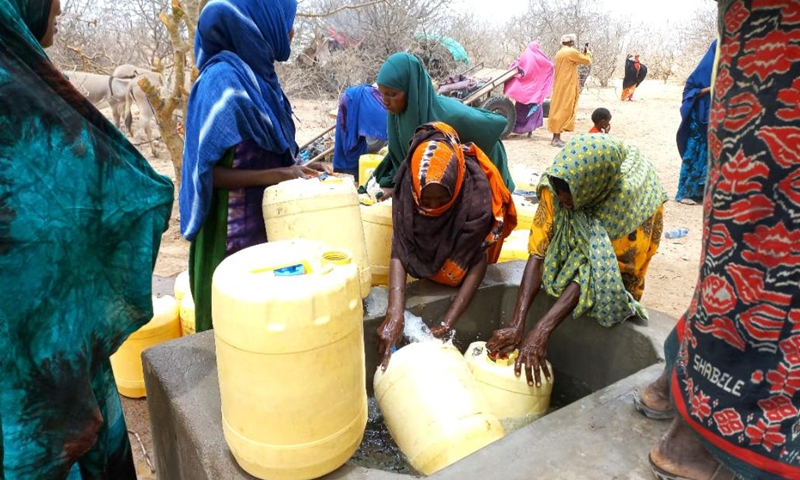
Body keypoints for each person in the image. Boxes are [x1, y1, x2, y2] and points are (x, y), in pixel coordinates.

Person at [0, 0, 174, 477]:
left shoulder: (29, 76)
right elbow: (117, 199)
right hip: (35, 387)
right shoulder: (20, 100)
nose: (59, 6)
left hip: (56, 370)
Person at [636, 2, 800, 479]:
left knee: (745, 238)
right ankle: (707, 420)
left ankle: (695, 402)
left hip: (749, 57)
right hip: (764, 61)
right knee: (755, 238)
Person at [180, 0, 329, 332]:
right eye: (285, 21)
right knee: (233, 332)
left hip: (265, 227)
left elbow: (273, 152)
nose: (291, 31)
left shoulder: (262, 79)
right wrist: (278, 175)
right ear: (260, 22)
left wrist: (301, 169)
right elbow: (207, 174)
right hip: (227, 231)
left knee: (267, 333)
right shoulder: (221, 82)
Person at [486, 134, 667, 387]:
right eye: (560, 194)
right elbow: (537, 252)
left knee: (616, 273)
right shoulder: (555, 184)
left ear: (588, 191)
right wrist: (517, 324)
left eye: (569, 196)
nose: (563, 201)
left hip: (628, 211)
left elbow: (595, 266)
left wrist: (541, 330)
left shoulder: (624, 206)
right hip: (591, 189)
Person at [376, 122, 517, 369]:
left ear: (456, 185)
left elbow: (477, 259)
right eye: (426, 199)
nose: (432, 207)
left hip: (460, 260)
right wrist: (395, 312)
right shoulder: (408, 191)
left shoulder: (475, 198)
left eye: (441, 199)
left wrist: (448, 322)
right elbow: (400, 246)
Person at [367, 52, 515, 199]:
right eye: (382, 94)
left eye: (392, 94)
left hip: (487, 171)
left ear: (411, 90)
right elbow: (401, 155)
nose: (385, 101)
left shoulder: (448, 116)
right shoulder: (399, 116)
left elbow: (495, 123)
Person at [674, 40, 717, 206]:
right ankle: (683, 193)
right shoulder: (703, 70)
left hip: (711, 121)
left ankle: (700, 192)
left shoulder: (723, 71)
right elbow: (689, 92)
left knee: (707, 157)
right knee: (692, 155)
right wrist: (709, 89)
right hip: (697, 120)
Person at [332, 84, 388, 182]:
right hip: (350, 104)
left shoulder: (371, 102)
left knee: (346, 138)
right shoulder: (374, 101)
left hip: (350, 103)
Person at [547, 34, 592, 148]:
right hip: (566, 85)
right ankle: (556, 139)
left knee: (558, 108)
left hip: (560, 84)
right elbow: (586, 61)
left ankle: (556, 137)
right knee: (563, 109)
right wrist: (588, 52)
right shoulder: (571, 52)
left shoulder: (560, 52)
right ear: (571, 42)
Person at [503, 42, 554, 137]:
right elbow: (550, 65)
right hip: (535, 92)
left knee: (520, 110)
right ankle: (530, 131)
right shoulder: (540, 58)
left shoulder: (525, 56)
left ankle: (516, 128)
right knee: (533, 111)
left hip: (523, 93)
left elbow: (517, 65)